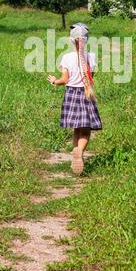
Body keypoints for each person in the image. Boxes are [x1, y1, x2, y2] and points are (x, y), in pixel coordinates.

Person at [47, 23, 102, 174]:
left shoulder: (66, 58)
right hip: (86, 94)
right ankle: (80, 151)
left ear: (71, 40)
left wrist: (54, 81)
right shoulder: (91, 57)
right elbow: (90, 79)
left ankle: (75, 150)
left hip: (71, 94)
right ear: (86, 40)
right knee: (86, 130)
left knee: (76, 128)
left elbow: (64, 80)